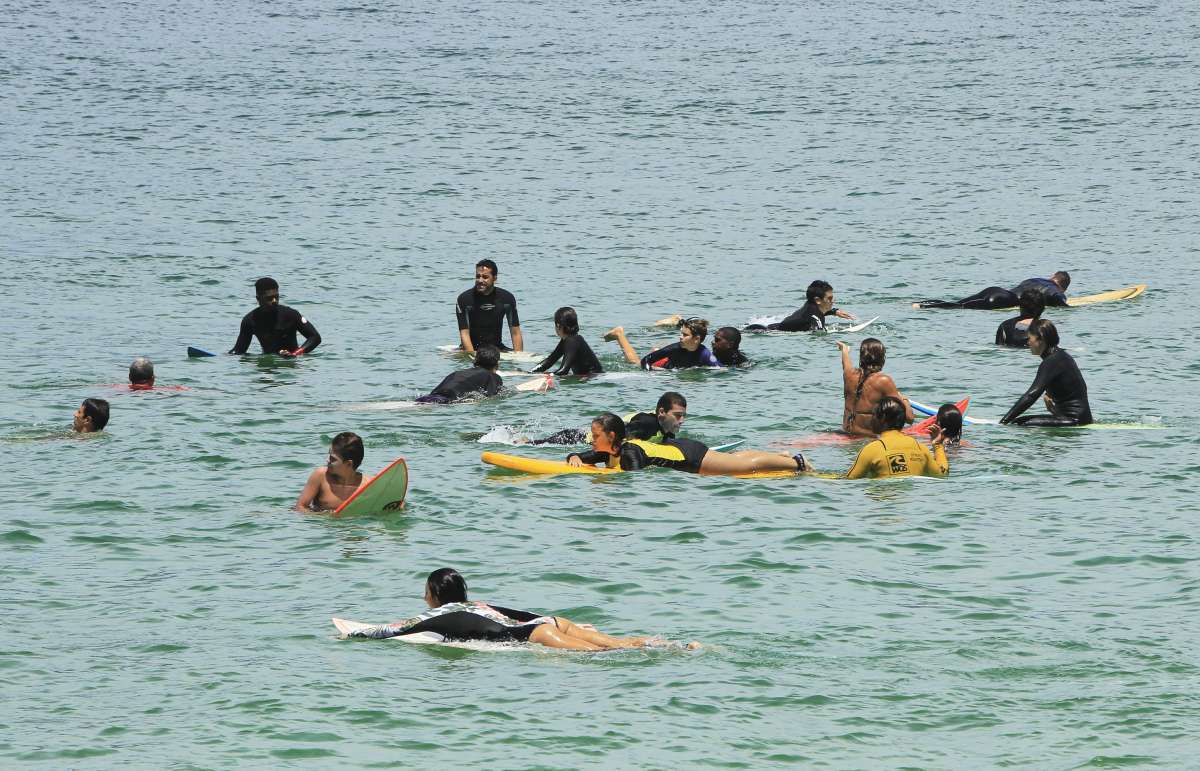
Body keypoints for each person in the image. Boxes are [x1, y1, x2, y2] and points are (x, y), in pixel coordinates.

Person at [344, 568, 693, 650]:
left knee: (598, 657)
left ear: (436, 595)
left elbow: (394, 629)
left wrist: (355, 632)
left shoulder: (435, 615)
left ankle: (673, 652)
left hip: (534, 634)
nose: (423, 600)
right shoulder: (476, 603)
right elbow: (519, 611)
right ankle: (669, 645)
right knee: (614, 643)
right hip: (548, 620)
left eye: (425, 593)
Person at [567, 412, 807, 475]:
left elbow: (632, 478)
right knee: (738, 458)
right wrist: (575, 458)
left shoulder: (629, 452)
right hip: (679, 450)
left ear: (610, 437)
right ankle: (780, 455)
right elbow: (583, 455)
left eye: (595, 435)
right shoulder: (608, 450)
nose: (592, 439)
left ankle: (797, 463)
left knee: (745, 467)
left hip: (691, 457)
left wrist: (607, 479)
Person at [1000, 319, 1092, 427]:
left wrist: (1003, 422)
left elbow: (1031, 395)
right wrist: (1054, 411)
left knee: (1018, 423)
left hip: (1075, 420)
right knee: (1019, 421)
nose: (1027, 342)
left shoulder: (1052, 361)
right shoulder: (1061, 356)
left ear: (1041, 338)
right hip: (1077, 418)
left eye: (1030, 338)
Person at [528, 391, 688, 446]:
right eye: (678, 416)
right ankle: (523, 442)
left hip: (583, 437)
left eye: (683, 416)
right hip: (577, 440)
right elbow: (621, 431)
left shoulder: (666, 429)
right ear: (661, 412)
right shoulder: (648, 424)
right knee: (536, 444)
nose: (681, 421)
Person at [845, 397, 948, 479]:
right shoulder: (921, 448)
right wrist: (938, 445)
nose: (871, 420)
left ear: (883, 418)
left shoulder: (871, 450)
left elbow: (848, 480)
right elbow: (942, 474)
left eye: (873, 415)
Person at [230, 277, 322, 356]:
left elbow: (315, 337)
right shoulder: (250, 320)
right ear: (258, 299)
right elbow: (239, 350)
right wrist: (223, 358)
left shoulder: (290, 315)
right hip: (267, 366)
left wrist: (296, 353)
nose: (274, 300)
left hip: (290, 363)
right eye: (269, 298)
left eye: (276, 297)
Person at [839, 338, 912, 437]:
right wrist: (904, 399)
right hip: (867, 439)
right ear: (882, 358)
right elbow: (909, 418)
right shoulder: (884, 381)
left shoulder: (848, 375)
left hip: (846, 434)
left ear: (861, 357)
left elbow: (846, 363)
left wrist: (844, 350)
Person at [456, 259, 522, 353]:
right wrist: (473, 357)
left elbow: (515, 332)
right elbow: (464, 333)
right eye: (478, 276)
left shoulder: (507, 298)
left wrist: (518, 357)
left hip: (497, 348)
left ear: (494, 278)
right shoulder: (464, 299)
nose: (480, 280)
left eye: (485, 277)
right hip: (471, 349)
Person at [604, 317, 721, 369]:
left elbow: (720, 369)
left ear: (697, 339)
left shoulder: (705, 354)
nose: (680, 337)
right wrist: (652, 372)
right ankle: (619, 334)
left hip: (673, 364)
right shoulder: (675, 348)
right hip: (662, 363)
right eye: (681, 333)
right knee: (635, 363)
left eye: (685, 335)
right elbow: (646, 361)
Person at [295, 432, 371, 511]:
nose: (327, 460)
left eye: (333, 459)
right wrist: (325, 517)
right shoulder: (321, 476)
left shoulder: (368, 485)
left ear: (348, 464)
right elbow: (300, 507)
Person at [915, 271, 1070, 310]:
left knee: (957, 303)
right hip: (1003, 300)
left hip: (995, 290)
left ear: (1052, 276)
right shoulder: (1055, 289)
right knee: (959, 307)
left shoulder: (1035, 279)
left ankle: (921, 304)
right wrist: (1066, 306)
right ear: (1062, 286)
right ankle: (926, 308)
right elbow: (1056, 297)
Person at [748, 280, 856, 331]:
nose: (833, 301)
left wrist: (834, 311)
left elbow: (814, 314)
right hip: (768, 332)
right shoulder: (817, 316)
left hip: (770, 327)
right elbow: (819, 332)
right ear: (818, 300)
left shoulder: (809, 305)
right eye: (830, 298)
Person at [417, 345, 503, 404]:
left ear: (475, 361)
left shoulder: (459, 373)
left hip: (427, 398)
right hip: (446, 401)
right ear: (497, 364)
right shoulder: (493, 376)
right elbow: (491, 397)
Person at [533, 307, 602, 376]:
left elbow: (563, 371)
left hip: (592, 377)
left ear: (558, 325)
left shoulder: (572, 341)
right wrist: (531, 372)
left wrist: (547, 375)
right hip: (591, 377)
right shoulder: (570, 339)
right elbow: (550, 360)